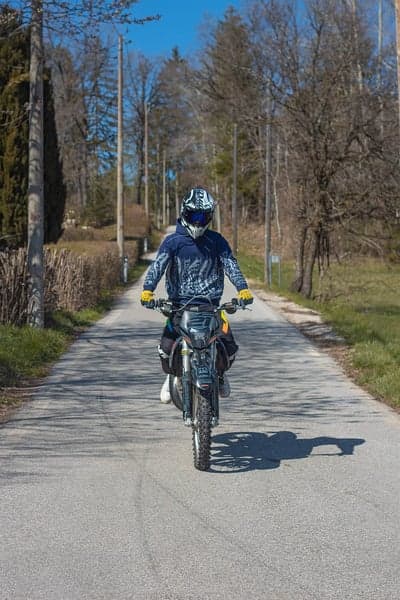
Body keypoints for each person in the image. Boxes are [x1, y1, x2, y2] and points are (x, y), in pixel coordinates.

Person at [140, 187, 253, 403]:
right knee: (165, 349)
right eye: (194, 216)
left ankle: (219, 375)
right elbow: (158, 266)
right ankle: (172, 376)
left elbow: (231, 265)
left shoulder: (217, 241)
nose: (199, 222)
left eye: (204, 217)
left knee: (229, 346)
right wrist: (148, 290)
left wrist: (242, 288)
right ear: (185, 213)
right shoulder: (173, 242)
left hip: (211, 307)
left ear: (210, 217)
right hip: (178, 307)